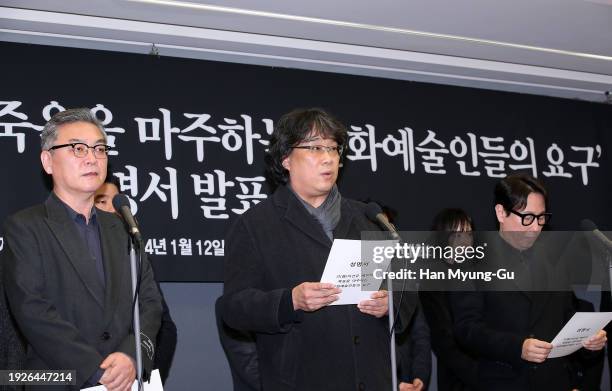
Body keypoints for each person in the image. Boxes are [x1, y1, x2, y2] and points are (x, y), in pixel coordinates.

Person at [222, 108, 413, 390]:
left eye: (334, 149)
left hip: (373, 379)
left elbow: (406, 287)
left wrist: (390, 304)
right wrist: (290, 301)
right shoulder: (255, 225)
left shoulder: (369, 218)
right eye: (314, 147)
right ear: (286, 158)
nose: (328, 158)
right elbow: (234, 308)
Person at [2, 108, 162, 390]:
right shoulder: (25, 227)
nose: (92, 157)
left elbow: (149, 303)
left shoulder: (124, 227)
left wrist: (131, 356)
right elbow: (33, 310)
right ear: (48, 161)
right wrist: (94, 371)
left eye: (100, 149)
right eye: (78, 148)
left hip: (125, 380)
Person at [451, 173, 607, 390]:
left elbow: (566, 319)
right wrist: (518, 347)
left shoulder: (553, 262)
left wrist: (589, 341)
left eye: (541, 218)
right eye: (527, 217)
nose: (535, 227)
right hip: (504, 382)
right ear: (501, 212)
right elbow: (466, 329)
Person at [94, 177, 178, 385]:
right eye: (102, 201)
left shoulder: (133, 253)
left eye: (115, 203)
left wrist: (143, 374)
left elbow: (164, 328)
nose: (111, 210)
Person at [419, 209, 479, 391]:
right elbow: (443, 340)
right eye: (456, 235)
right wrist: (477, 374)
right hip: (459, 377)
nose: (464, 242)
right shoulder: (433, 279)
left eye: (468, 234)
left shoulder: (480, 275)